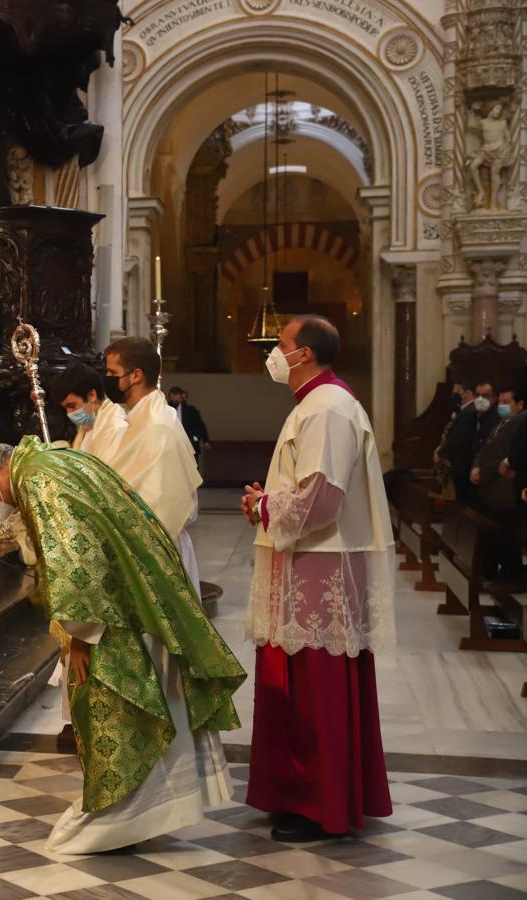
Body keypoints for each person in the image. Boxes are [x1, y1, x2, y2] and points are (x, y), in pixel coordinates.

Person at [0, 438, 244, 853]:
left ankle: (118, 819)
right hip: (133, 596)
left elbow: (77, 560)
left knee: (114, 707)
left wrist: (78, 635)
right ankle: (147, 808)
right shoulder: (49, 461)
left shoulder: (39, 480)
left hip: (112, 613)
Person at [240, 315, 394, 841]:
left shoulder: (327, 407)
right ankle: (295, 794)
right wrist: (267, 503)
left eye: (281, 344)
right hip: (305, 562)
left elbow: (322, 501)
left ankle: (316, 804)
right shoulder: (315, 403)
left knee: (314, 686)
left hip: (319, 564)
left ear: (303, 353)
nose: (274, 352)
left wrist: (265, 505)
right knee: (298, 682)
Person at [103, 337, 204, 596]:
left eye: (112, 373)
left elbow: (155, 504)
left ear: (136, 375)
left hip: (159, 549)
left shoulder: (156, 426)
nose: (108, 379)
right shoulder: (144, 419)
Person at [473, 385, 525, 586]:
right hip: (490, 486)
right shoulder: (503, 421)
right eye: (500, 402)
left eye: (506, 403)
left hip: (502, 487)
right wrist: (476, 466)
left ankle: (512, 576)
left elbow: (501, 454)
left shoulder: (521, 420)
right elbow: (487, 448)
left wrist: (484, 474)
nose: (501, 406)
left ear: (519, 404)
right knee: (493, 534)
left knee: (506, 534)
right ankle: (491, 571)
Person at [436, 377, 496, 504]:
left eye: (485, 395)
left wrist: (441, 453)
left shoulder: (492, 418)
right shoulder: (474, 413)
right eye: (478, 395)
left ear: (494, 398)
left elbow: (458, 438)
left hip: (475, 469)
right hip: (466, 467)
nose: (481, 399)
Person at [166, 386, 211, 461]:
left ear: (181, 398)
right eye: (172, 401)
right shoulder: (165, 409)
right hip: (171, 445)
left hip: (189, 444)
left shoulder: (190, 410)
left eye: (176, 401)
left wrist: (204, 440)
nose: (174, 403)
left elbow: (200, 425)